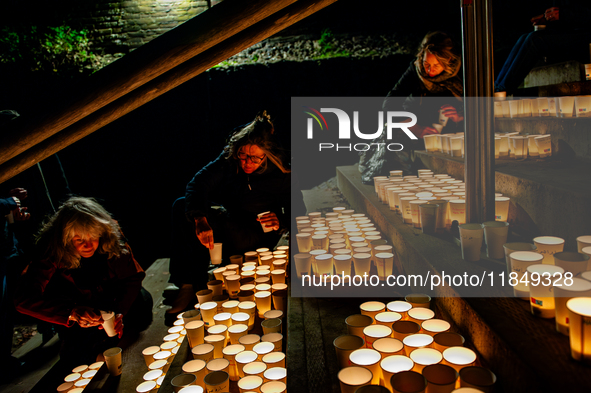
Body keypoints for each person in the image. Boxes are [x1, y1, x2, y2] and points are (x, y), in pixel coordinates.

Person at [168, 111, 291, 313]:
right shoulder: (229, 161)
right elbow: (199, 183)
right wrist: (199, 218)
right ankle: (187, 284)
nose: (247, 163)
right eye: (243, 156)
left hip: (257, 234)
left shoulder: (280, 171)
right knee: (182, 206)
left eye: (255, 158)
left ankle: (212, 281)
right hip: (230, 221)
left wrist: (282, 221)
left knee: (235, 235)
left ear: (266, 155)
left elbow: (299, 208)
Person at [14, 197, 151, 364]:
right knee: (76, 349)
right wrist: (71, 312)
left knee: (142, 303)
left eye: (93, 237)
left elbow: (132, 277)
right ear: (66, 238)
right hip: (76, 306)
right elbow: (24, 299)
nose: (88, 245)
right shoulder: (51, 249)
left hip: (109, 298)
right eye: (79, 240)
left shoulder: (110, 235)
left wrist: (118, 312)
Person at [360, 31, 464, 180]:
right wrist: (413, 127)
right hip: (420, 123)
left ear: (448, 60)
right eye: (426, 63)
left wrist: (460, 115)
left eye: (436, 65)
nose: (429, 70)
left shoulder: (462, 73)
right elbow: (389, 103)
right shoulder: (416, 70)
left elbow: (483, 105)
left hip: (452, 129)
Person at [495, 1, 591, 96]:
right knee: (524, 37)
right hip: (574, 32)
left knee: (535, 40)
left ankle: (503, 89)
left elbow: (583, 15)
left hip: (586, 39)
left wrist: (563, 15)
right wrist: (549, 18)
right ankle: (498, 85)